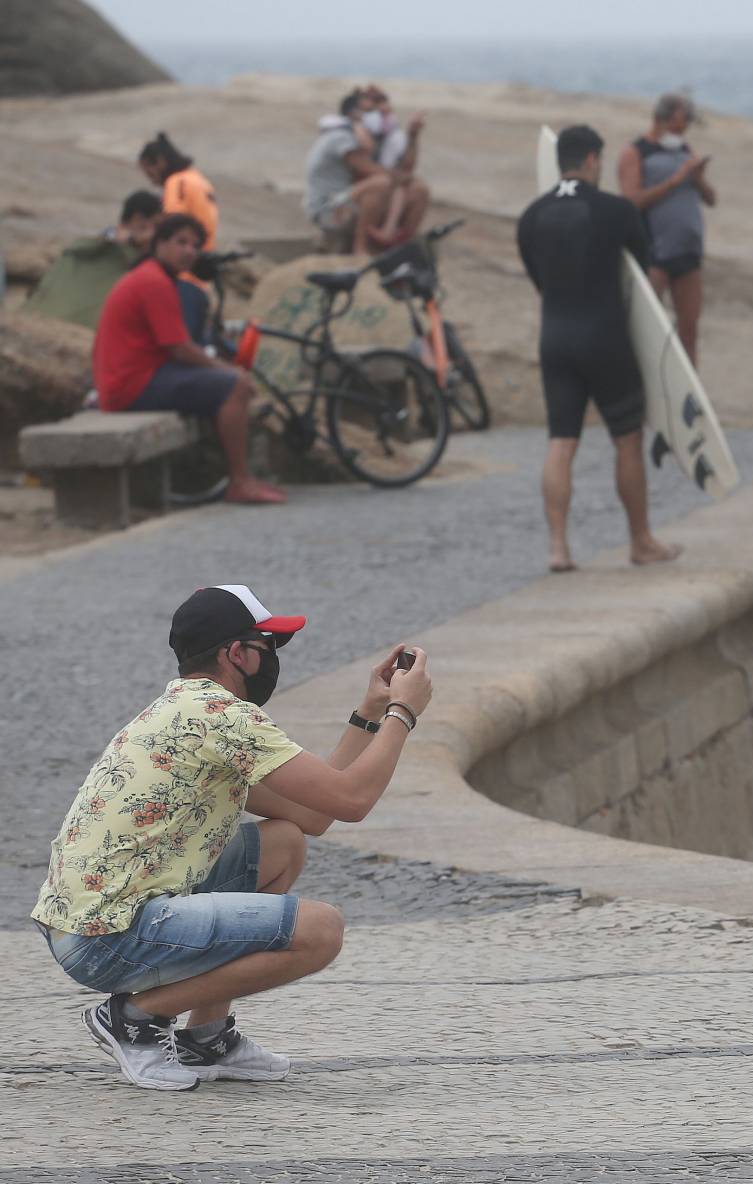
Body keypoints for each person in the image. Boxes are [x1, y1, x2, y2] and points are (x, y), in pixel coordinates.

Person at [30, 583, 435, 1090]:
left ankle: (207, 1036)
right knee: (321, 931)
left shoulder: (184, 710)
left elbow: (315, 814)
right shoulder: (223, 718)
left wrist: (371, 711)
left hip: (90, 923)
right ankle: (135, 1018)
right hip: (107, 939)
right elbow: (354, 801)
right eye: (269, 645)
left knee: (284, 843)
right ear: (237, 653)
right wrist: (403, 713)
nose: (274, 658)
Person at [518, 124, 682, 573]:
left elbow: (540, 282)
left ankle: (558, 549)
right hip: (605, 338)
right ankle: (641, 542)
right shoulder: (617, 210)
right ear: (592, 159)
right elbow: (642, 281)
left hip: (555, 340)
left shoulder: (530, 217)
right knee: (626, 439)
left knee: (561, 441)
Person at [92, 213, 286, 505]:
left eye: (195, 246)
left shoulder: (152, 276)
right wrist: (228, 370)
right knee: (235, 387)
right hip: (131, 385)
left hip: (132, 379)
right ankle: (240, 481)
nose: (189, 252)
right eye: (181, 242)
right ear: (160, 243)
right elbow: (179, 348)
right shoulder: (154, 282)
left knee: (225, 380)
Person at [617, 92, 714, 366]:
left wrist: (698, 179)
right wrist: (675, 180)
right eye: (683, 121)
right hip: (654, 253)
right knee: (645, 330)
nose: (685, 128)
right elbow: (631, 201)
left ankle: (689, 384)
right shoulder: (635, 152)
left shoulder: (685, 151)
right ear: (664, 118)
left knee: (689, 330)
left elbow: (711, 199)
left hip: (688, 251)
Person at [304, 88, 431, 255]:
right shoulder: (341, 137)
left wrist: (412, 136)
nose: (376, 116)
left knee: (419, 190)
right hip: (329, 210)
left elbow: (405, 170)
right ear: (353, 114)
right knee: (381, 184)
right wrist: (403, 177)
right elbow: (373, 171)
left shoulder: (377, 139)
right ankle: (361, 249)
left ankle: (401, 248)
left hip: (353, 203)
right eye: (370, 111)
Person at [23, 191, 160, 328]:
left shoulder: (90, 244)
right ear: (136, 220)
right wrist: (133, 242)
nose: (156, 231)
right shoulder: (111, 244)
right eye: (156, 224)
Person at [138, 134, 219, 341]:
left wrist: (138, 239)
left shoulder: (177, 182)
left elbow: (172, 227)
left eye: (150, 173)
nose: (152, 181)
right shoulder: (199, 180)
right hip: (200, 272)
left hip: (184, 275)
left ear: (160, 162)